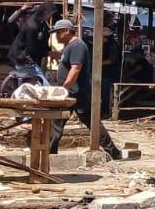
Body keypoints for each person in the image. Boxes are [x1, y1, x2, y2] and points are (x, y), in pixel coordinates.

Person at [47, 19, 122, 159]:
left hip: (74, 93)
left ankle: (49, 151)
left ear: (67, 31)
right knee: (60, 122)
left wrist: (64, 89)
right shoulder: (70, 46)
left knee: (61, 121)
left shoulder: (77, 46)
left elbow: (75, 69)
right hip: (72, 92)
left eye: (58, 32)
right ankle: (49, 151)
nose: (56, 36)